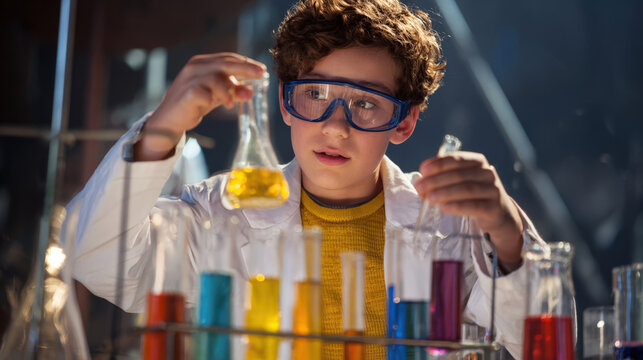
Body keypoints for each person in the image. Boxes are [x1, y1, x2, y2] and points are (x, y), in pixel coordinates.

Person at [65, 0, 548, 358]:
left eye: (365, 102)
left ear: (404, 122)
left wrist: (506, 233)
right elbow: (97, 260)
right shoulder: (222, 214)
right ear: (284, 103)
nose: (335, 126)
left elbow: (543, 340)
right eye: (314, 93)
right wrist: (161, 132)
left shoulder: (454, 226)